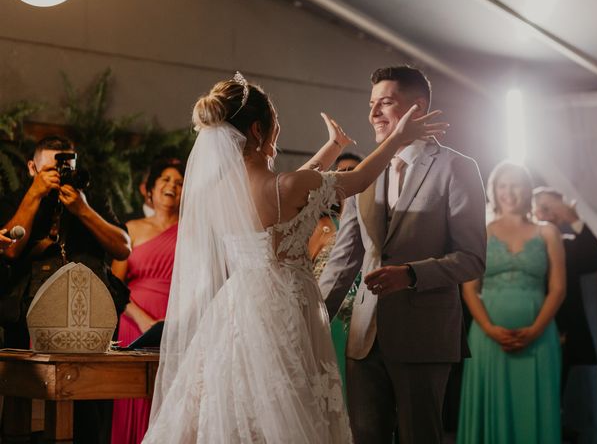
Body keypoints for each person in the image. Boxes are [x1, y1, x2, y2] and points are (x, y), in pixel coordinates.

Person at [141, 72, 447, 443]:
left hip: (238, 306)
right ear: (257, 130)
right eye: (275, 123)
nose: (278, 130)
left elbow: (292, 191)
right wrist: (399, 137)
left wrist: (332, 148)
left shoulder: (218, 193)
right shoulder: (285, 187)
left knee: (240, 402)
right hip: (283, 308)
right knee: (288, 406)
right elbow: (358, 179)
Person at [319, 65, 487, 444]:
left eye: (386, 103)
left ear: (419, 107)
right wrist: (312, 320)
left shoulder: (458, 168)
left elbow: (472, 257)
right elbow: (344, 260)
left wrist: (411, 274)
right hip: (364, 336)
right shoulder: (365, 172)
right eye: (371, 104)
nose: (374, 113)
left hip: (424, 334)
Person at [0, 135, 131, 444]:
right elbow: (10, 251)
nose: (61, 176)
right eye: (51, 169)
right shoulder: (17, 198)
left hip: (90, 320)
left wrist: (83, 210)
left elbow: (123, 248)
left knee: (92, 414)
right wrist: (35, 195)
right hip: (27, 321)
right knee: (24, 413)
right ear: (33, 168)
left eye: (67, 168)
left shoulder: (91, 199)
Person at [457, 162, 566, 444]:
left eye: (516, 184)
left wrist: (535, 330)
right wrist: (490, 329)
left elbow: (558, 289)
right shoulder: (481, 232)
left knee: (536, 409)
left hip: (540, 339)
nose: (509, 192)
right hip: (488, 338)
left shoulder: (548, 233)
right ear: (493, 190)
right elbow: (469, 288)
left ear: (528, 189)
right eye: (502, 185)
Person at [111, 158, 185, 444]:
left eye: (179, 182)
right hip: (134, 324)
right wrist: (142, 320)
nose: (172, 186)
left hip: (177, 323)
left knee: (172, 401)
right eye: (165, 180)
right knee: (134, 401)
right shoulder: (131, 228)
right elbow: (115, 284)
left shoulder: (193, 230)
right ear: (150, 190)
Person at [532, 187, 597, 389]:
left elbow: (594, 259)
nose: (549, 215)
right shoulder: (516, 245)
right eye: (544, 208)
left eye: (555, 210)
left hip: (561, 335)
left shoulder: (567, 247)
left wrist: (573, 219)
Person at [310, 151, 364, 392]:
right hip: (329, 317)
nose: (346, 176)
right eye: (340, 172)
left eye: (353, 171)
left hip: (360, 321)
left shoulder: (371, 223)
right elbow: (304, 270)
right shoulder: (322, 226)